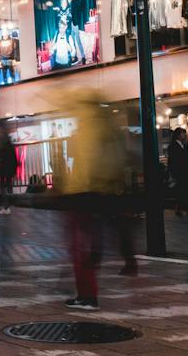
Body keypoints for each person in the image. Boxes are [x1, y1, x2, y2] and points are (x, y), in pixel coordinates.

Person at [58, 91, 137, 311]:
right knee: (100, 235)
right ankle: (93, 285)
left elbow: (84, 163)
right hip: (104, 189)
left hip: (85, 191)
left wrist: (72, 189)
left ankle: (87, 295)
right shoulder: (107, 125)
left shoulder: (88, 127)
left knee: (82, 244)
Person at [167, 127, 188, 216]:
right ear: (178, 135)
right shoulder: (173, 146)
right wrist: (173, 172)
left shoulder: (183, 145)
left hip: (184, 172)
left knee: (182, 191)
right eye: (182, 133)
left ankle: (178, 209)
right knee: (183, 191)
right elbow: (172, 161)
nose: (184, 135)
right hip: (179, 172)